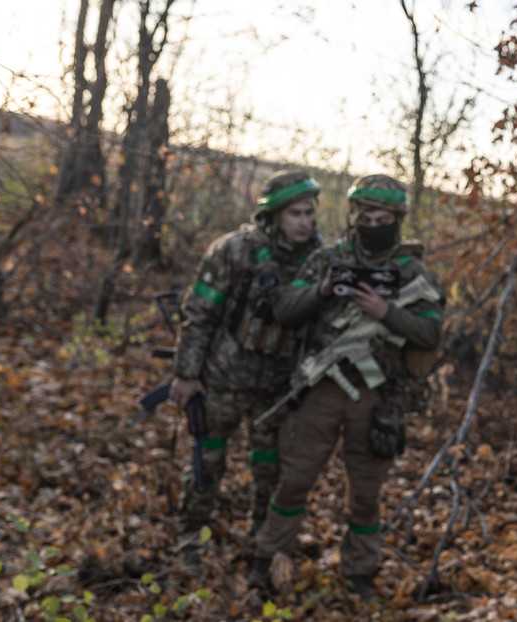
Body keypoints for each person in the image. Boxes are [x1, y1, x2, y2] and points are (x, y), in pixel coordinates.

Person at [250, 173, 444, 598]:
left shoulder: (411, 271)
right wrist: (321, 291)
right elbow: (284, 310)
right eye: (367, 216)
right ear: (354, 217)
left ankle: (359, 574)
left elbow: (431, 333)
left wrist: (385, 312)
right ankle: (267, 560)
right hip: (320, 389)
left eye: (384, 217)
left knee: (366, 493)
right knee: (295, 479)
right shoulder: (326, 260)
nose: (374, 225)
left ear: (397, 219)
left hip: (377, 399)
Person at [169, 170, 325, 549]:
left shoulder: (320, 261)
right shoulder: (234, 250)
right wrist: (187, 374)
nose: (304, 222)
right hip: (222, 379)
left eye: (308, 213)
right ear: (273, 215)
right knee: (208, 463)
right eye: (294, 214)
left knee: (271, 472)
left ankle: (263, 545)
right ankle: (190, 540)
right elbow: (200, 313)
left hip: (277, 389)